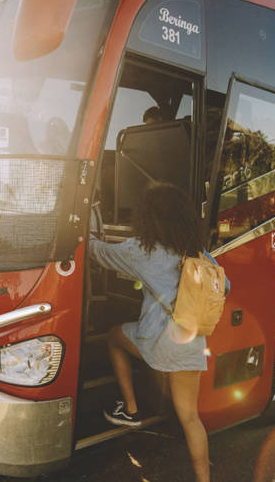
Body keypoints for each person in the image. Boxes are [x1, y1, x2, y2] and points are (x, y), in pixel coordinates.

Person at [89, 182, 223, 482]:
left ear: (149, 218)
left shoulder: (141, 250)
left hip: (158, 343)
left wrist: (85, 225)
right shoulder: (197, 252)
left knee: (114, 337)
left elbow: (97, 253)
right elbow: (224, 286)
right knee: (191, 418)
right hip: (191, 345)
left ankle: (132, 410)